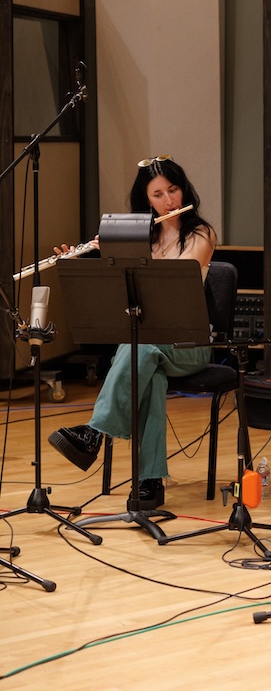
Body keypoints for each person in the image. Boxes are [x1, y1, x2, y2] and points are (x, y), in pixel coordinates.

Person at [48, 155, 217, 509]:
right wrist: (91, 258)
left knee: (141, 347)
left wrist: (130, 252)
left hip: (190, 343)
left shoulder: (201, 234)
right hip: (148, 346)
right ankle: (149, 482)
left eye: (173, 190)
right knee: (147, 366)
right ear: (147, 200)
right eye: (158, 194)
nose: (168, 200)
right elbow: (118, 294)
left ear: (183, 190)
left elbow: (169, 285)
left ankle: (94, 433)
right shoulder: (142, 236)